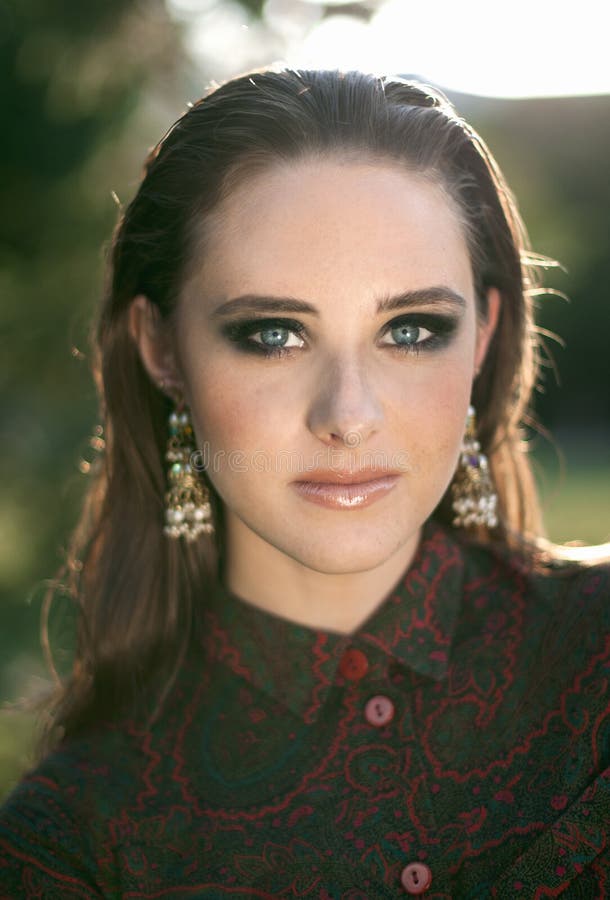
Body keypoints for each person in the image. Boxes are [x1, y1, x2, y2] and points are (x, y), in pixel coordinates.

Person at [1, 66, 608, 899]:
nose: (348, 416)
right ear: (162, 348)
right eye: (274, 334)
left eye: (412, 329)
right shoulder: (74, 840)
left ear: (482, 335)